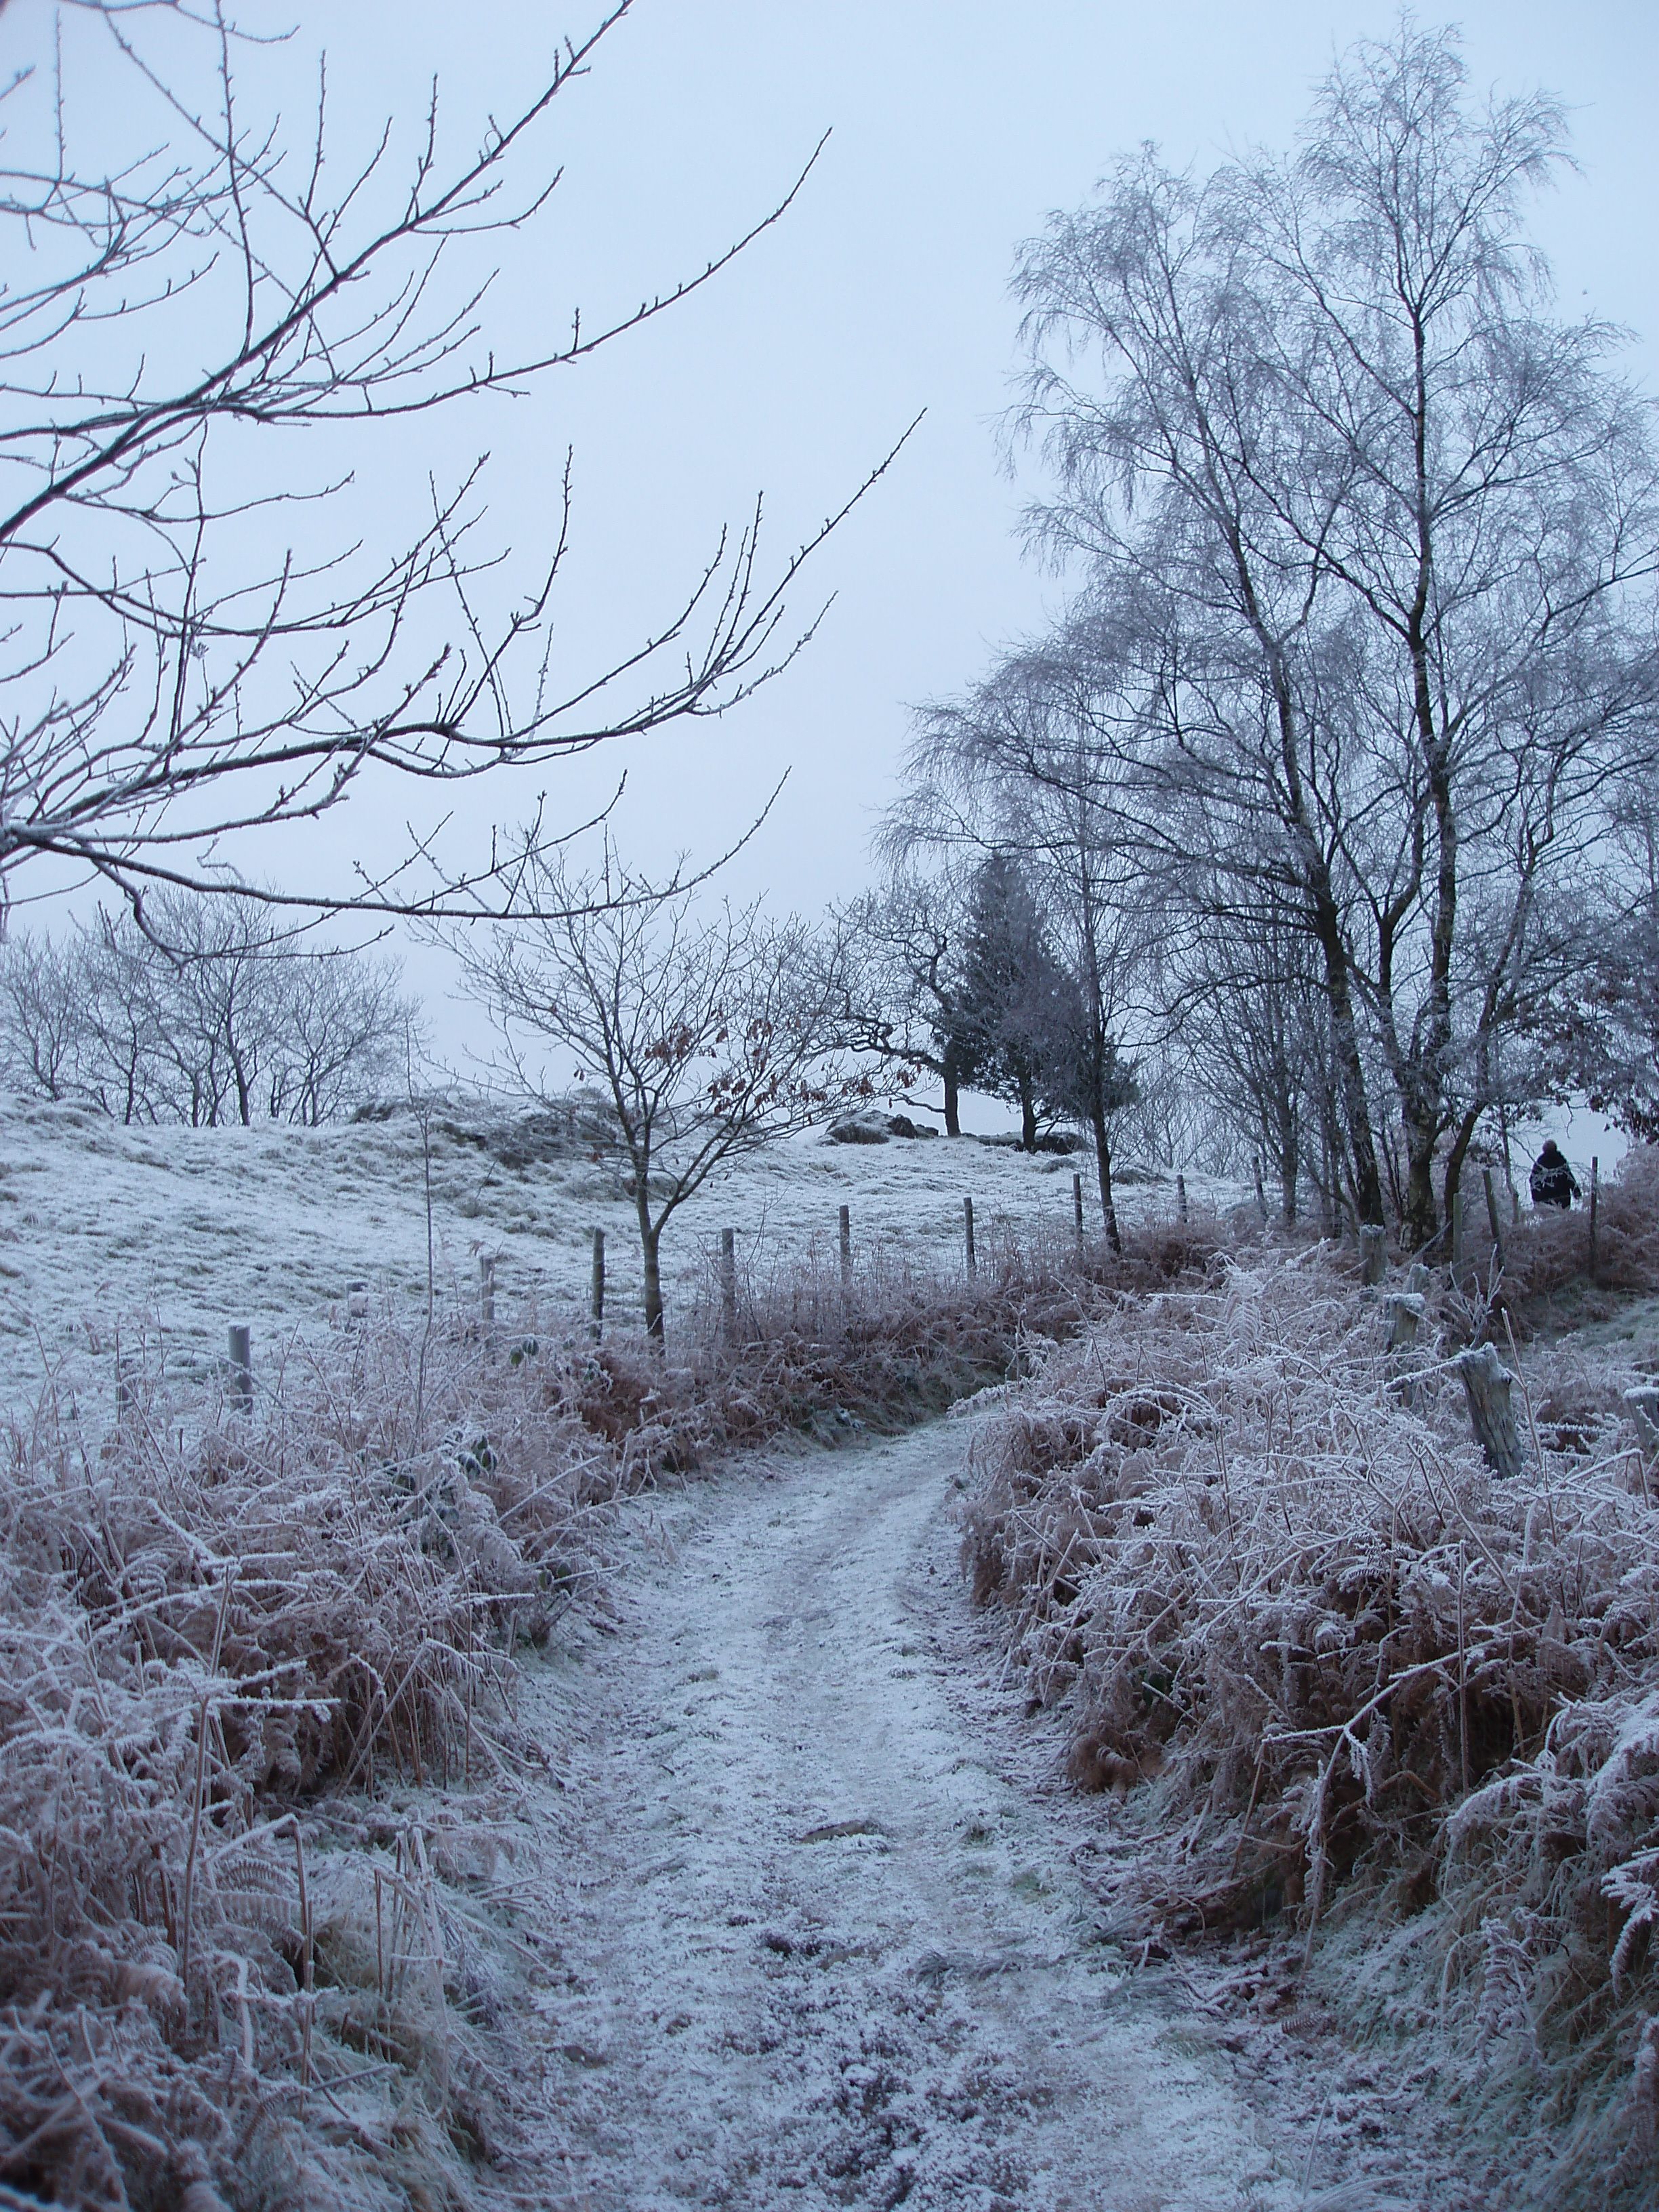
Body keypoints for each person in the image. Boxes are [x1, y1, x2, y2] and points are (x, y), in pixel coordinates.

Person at [1530, 1140, 1580, 1210]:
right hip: (1562, 1199)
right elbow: (1570, 1178)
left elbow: (1533, 1180)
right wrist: (1576, 1193)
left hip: (1546, 1200)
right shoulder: (1560, 1160)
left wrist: (1535, 1198)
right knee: (1563, 1218)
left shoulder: (1541, 1162)